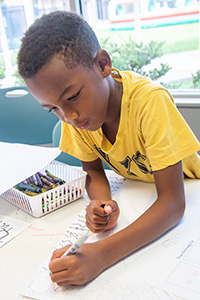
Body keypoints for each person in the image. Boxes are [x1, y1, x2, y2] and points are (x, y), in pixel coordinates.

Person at [18, 10, 200, 286]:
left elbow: (173, 204)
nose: (69, 117)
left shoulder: (149, 103)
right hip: (141, 192)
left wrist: (101, 254)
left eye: (74, 96)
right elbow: (92, 169)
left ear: (102, 64)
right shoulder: (76, 116)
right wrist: (101, 202)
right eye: (52, 108)